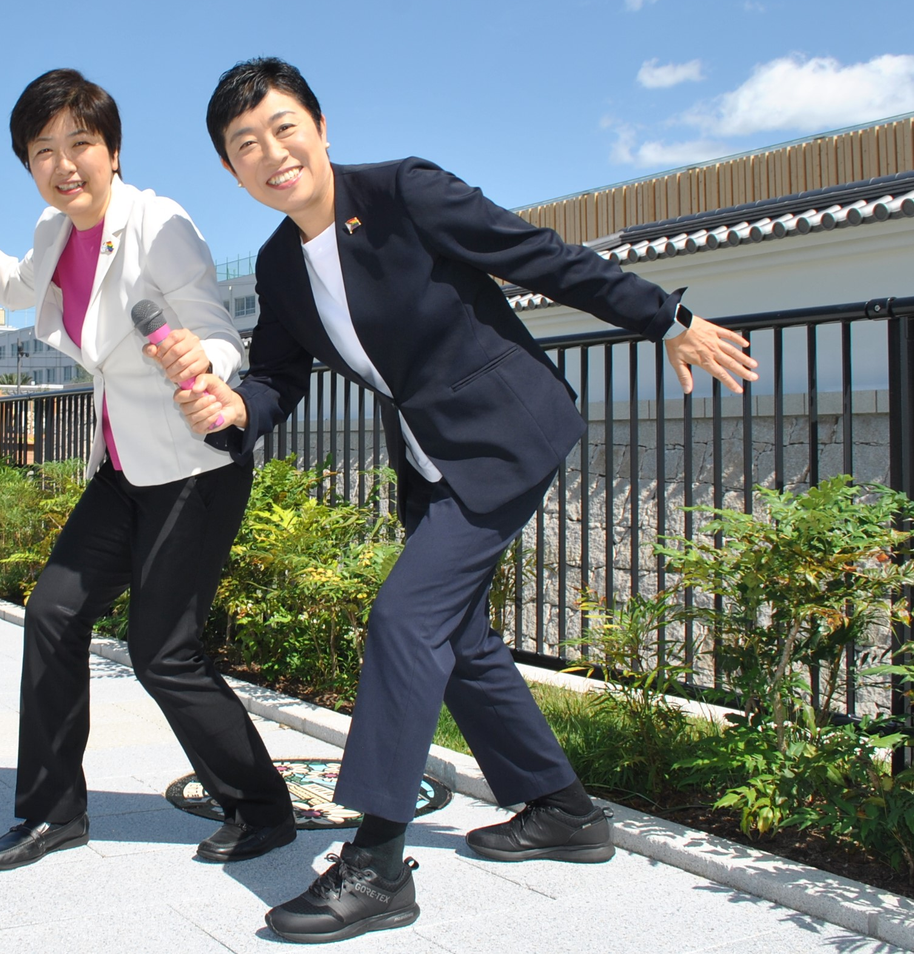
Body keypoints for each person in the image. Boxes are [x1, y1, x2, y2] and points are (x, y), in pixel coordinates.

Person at [176, 57, 759, 943]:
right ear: (231, 169)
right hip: (430, 456)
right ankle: (563, 809)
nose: (272, 153)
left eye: (285, 128)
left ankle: (377, 865)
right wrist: (235, 409)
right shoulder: (278, 264)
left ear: (321, 128)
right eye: (246, 144)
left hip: (504, 431)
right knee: (460, 638)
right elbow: (278, 376)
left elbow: (539, 254)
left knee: (407, 619)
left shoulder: (403, 191)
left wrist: (664, 319)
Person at [0, 68, 294, 872]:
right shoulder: (54, 232)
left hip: (193, 465)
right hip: (123, 467)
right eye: (43, 150)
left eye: (80, 143)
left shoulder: (159, 223)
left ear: (113, 150)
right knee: (52, 614)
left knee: (164, 650)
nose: (64, 164)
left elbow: (215, 327)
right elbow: (13, 283)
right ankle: (51, 812)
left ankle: (262, 808)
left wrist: (205, 363)